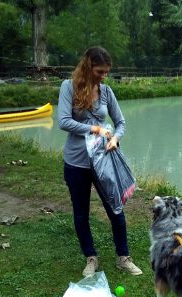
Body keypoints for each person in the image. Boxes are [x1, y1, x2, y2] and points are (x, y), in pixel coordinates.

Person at [57, 46, 142, 277]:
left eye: (106, 72)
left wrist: (114, 138)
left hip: (104, 162)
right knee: (81, 212)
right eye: (99, 71)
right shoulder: (69, 87)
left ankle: (123, 257)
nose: (103, 76)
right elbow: (64, 121)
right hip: (77, 163)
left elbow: (121, 122)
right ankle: (90, 257)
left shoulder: (106, 92)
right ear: (88, 66)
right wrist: (94, 128)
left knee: (115, 208)